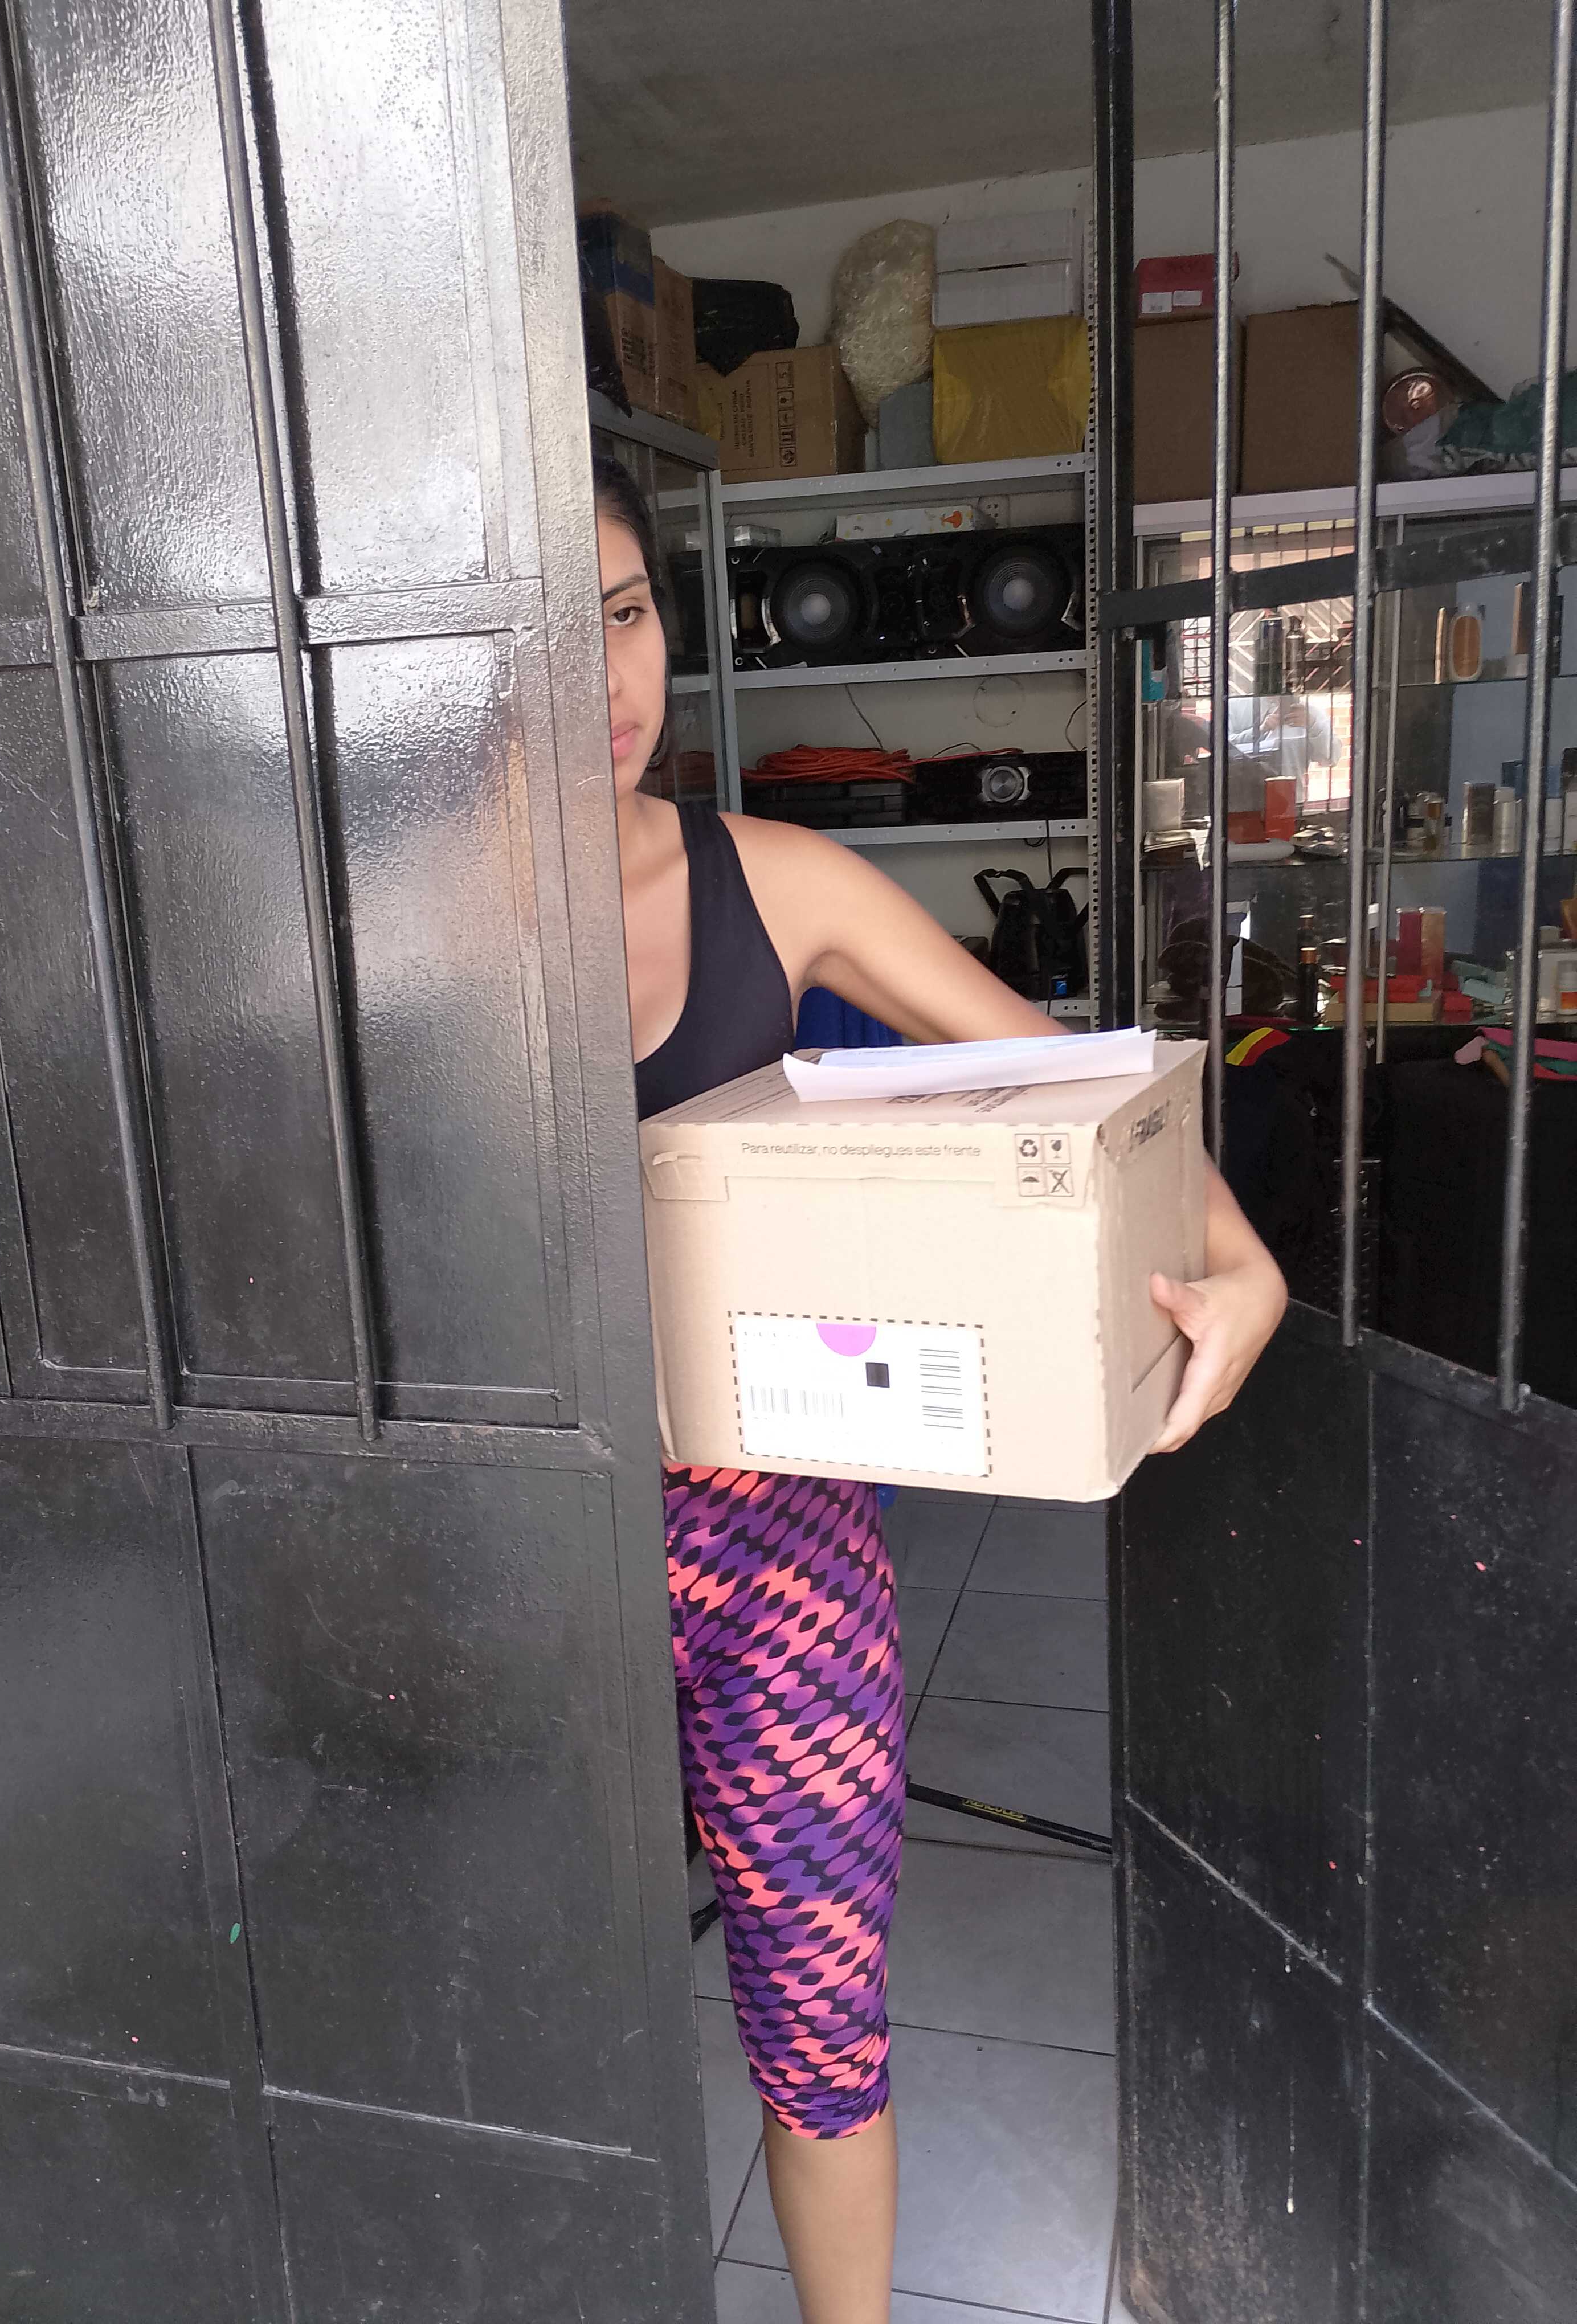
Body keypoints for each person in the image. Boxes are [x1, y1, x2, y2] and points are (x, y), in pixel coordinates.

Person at [594, 453, 1286, 2324]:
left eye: (625, 617)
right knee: (520, 2021)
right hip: (508, 1561)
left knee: (820, 2021)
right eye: (540, 642)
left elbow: (1068, 1081)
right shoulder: (385, 921)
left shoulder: (773, 880)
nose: (602, 684)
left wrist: (1242, 1259)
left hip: (771, 1548)